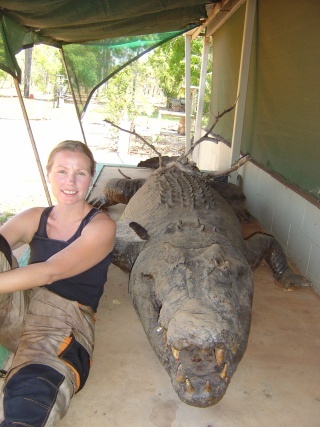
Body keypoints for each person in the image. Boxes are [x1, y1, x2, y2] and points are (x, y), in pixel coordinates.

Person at [0, 140, 116, 425]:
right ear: (49, 173)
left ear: (91, 178)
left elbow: (50, 271)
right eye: (62, 171)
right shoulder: (33, 217)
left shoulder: (101, 227)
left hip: (64, 320)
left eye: (81, 173)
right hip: (19, 304)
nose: (71, 181)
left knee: (31, 397)